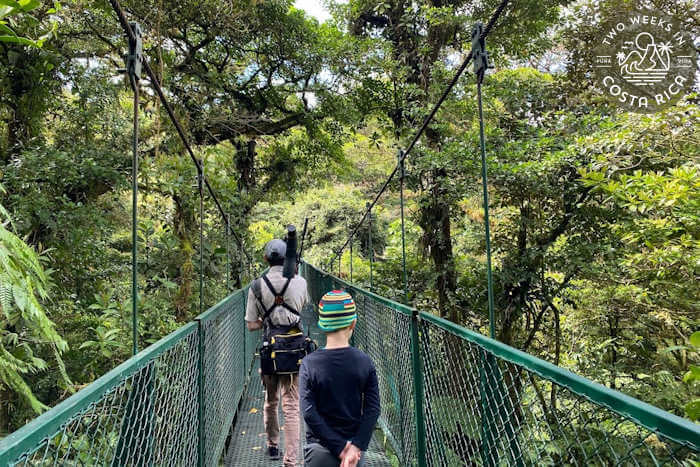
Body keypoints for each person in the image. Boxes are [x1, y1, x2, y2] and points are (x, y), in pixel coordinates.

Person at [246, 238, 309, 466]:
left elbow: (251, 324)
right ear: (288, 259)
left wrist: (267, 319)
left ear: (265, 259)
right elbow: (302, 307)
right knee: (291, 406)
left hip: (270, 350)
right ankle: (290, 460)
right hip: (293, 350)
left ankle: (273, 445)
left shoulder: (256, 286)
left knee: (270, 401)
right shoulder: (300, 282)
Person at [300, 290, 381, 467]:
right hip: (353, 455)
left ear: (322, 324)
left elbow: (308, 412)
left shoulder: (309, 364)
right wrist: (355, 447)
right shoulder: (365, 362)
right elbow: (373, 410)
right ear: (353, 323)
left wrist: (339, 447)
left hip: (319, 452)